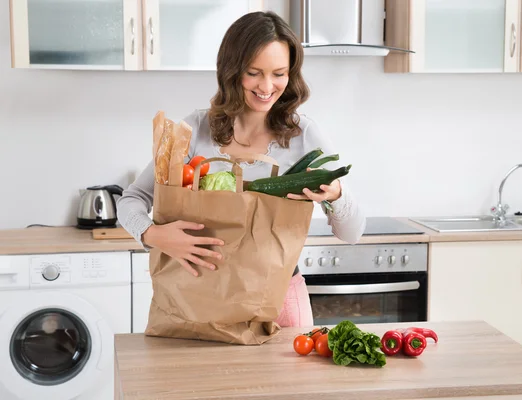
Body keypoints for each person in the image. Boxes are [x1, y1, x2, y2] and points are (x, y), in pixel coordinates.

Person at [116, 11, 366, 328]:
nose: (267, 86)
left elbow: (353, 232)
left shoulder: (305, 135)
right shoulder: (196, 128)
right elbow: (130, 200)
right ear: (232, 71)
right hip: (202, 298)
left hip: (279, 302)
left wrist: (337, 195)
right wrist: (152, 234)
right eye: (254, 72)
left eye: (279, 73)